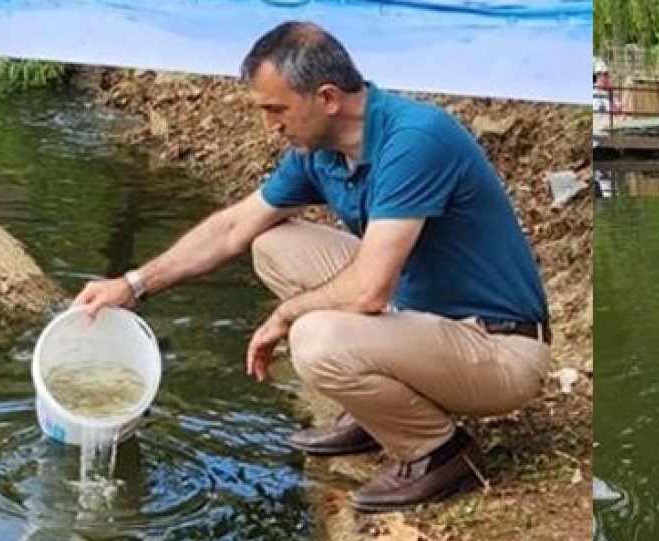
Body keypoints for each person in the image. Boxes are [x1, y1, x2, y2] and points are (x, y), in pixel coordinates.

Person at [72, 22, 551, 513]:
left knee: (314, 338)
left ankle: (439, 453)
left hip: (498, 348)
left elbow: (367, 292)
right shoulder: (321, 152)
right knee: (271, 243)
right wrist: (133, 285)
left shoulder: (415, 140)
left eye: (276, 109)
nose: (270, 126)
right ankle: (377, 409)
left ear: (327, 98)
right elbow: (234, 228)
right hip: (422, 318)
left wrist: (286, 315)